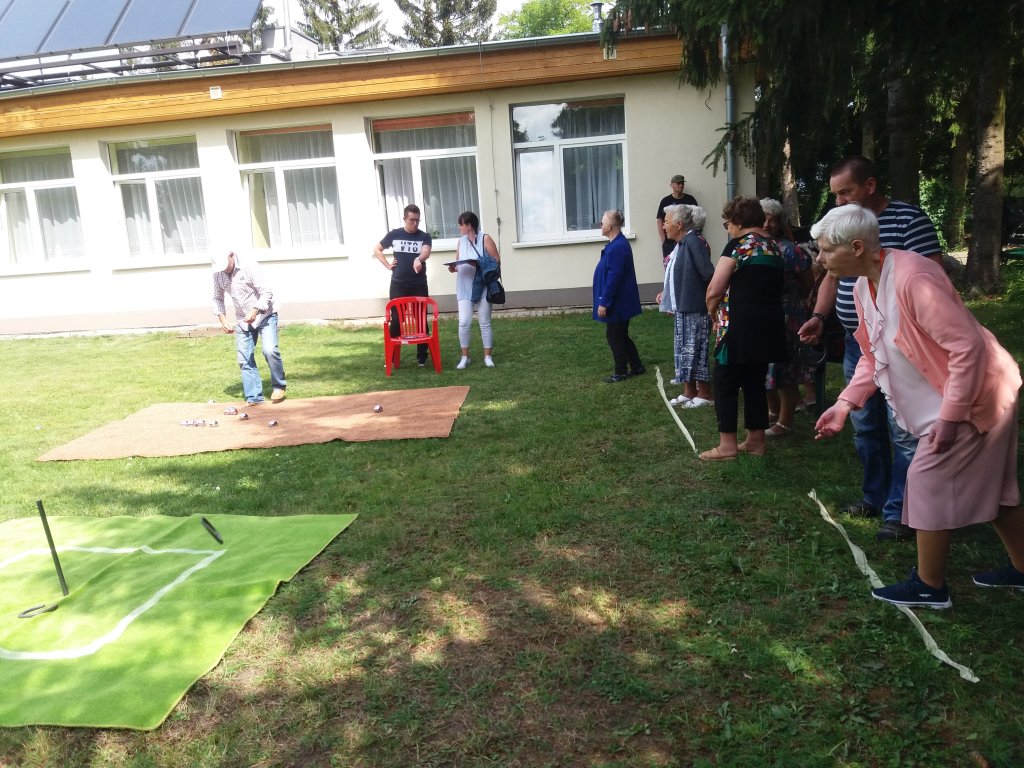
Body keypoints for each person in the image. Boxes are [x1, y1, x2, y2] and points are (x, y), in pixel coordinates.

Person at [812, 204, 1024, 608]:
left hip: (978, 396)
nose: (820, 259)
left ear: (856, 247)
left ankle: (930, 586)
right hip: (956, 398)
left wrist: (951, 417)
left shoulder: (913, 277)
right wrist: (844, 404)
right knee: (997, 494)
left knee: (925, 480)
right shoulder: (862, 287)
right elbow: (874, 356)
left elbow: (967, 347)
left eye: (825, 250)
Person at [799, 156, 942, 542]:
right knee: (865, 425)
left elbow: (932, 280)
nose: (839, 201)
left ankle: (904, 511)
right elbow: (831, 276)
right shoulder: (842, 231)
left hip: (902, 349)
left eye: (845, 192)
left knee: (903, 429)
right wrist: (819, 316)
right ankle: (875, 497)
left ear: (870, 185)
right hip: (861, 343)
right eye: (835, 194)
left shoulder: (908, 222)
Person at [700, 196, 785, 460]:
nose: (728, 228)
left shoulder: (739, 246)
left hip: (739, 324)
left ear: (737, 221)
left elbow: (715, 290)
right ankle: (756, 442)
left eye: (727, 223)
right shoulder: (773, 247)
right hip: (769, 323)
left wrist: (712, 313)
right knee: (755, 382)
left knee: (725, 381)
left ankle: (727, 446)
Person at [760, 198, 814, 436]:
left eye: (773, 220)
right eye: (763, 218)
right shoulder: (753, 247)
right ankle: (773, 411)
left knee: (785, 370)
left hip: (787, 316)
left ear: (781, 223)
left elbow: (808, 285)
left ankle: (785, 422)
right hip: (761, 315)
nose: (767, 224)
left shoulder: (791, 250)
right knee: (764, 368)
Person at [656, 204, 714, 407]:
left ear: (679, 224)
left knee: (696, 351)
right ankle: (689, 391)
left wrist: (711, 304)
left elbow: (708, 274)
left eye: (667, 222)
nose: (664, 226)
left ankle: (705, 394)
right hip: (683, 307)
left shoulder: (694, 242)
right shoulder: (681, 244)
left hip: (695, 308)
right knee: (684, 351)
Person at [212, 248, 287, 406]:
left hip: (265, 314)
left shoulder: (250, 266)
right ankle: (254, 397)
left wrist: (255, 310)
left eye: (226, 265)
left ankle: (279, 386)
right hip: (243, 320)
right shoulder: (218, 274)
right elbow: (217, 298)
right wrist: (223, 319)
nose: (224, 269)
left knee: (269, 350)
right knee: (244, 358)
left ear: (232, 255)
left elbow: (266, 292)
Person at [375, 204, 433, 366]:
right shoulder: (395, 234)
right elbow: (377, 249)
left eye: (417, 220)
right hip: (398, 284)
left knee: (420, 319)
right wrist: (388, 265)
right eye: (412, 220)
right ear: (404, 219)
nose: (415, 223)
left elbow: (426, 251)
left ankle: (422, 357)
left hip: (418, 284)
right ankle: (393, 357)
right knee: (396, 320)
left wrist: (418, 259)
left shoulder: (424, 236)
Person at [593, 209, 645, 383]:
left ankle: (621, 371)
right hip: (620, 300)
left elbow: (614, 278)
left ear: (610, 226)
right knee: (621, 334)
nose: (600, 225)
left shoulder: (618, 247)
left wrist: (604, 302)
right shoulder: (617, 244)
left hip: (618, 301)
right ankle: (637, 366)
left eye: (602, 223)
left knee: (614, 336)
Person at [449, 211, 499, 369]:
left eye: (461, 224)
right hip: (464, 286)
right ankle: (465, 357)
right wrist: (453, 267)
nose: (459, 227)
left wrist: (478, 263)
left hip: (482, 285)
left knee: (485, 322)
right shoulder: (461, 241)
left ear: (469, 225)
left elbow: (496, 260)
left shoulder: (485, 238)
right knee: (464, 322)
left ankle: (488, 356)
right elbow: (458, 261)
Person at [655, 174, 698, 267]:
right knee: (670, 266)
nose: (681, 185)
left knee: (687, 266)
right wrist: (664, 240)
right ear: (671, 185)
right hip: (670, 242)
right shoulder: (665, 201)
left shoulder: (690, 200)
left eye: (682, 183)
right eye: (678, 183)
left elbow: (697, 218)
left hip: (688, 241)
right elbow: (659, 220)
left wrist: (696, 236)